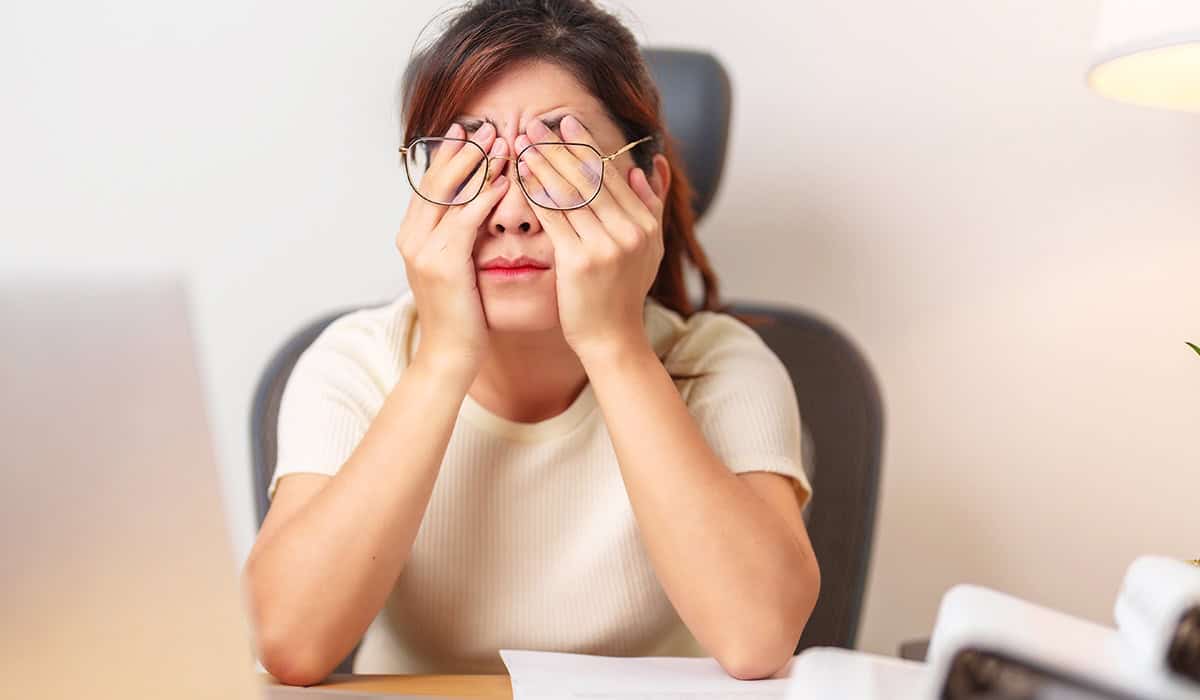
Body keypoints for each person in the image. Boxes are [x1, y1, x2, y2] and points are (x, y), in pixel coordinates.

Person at [243, 0, 820, 686]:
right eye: (471, 163)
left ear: (649, 190)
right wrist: (445, 357)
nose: (512, 214)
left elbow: (757, 638)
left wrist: (614, 344)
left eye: (560, 165)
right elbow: (287, 643)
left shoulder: (720, 367)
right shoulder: (357, 362)